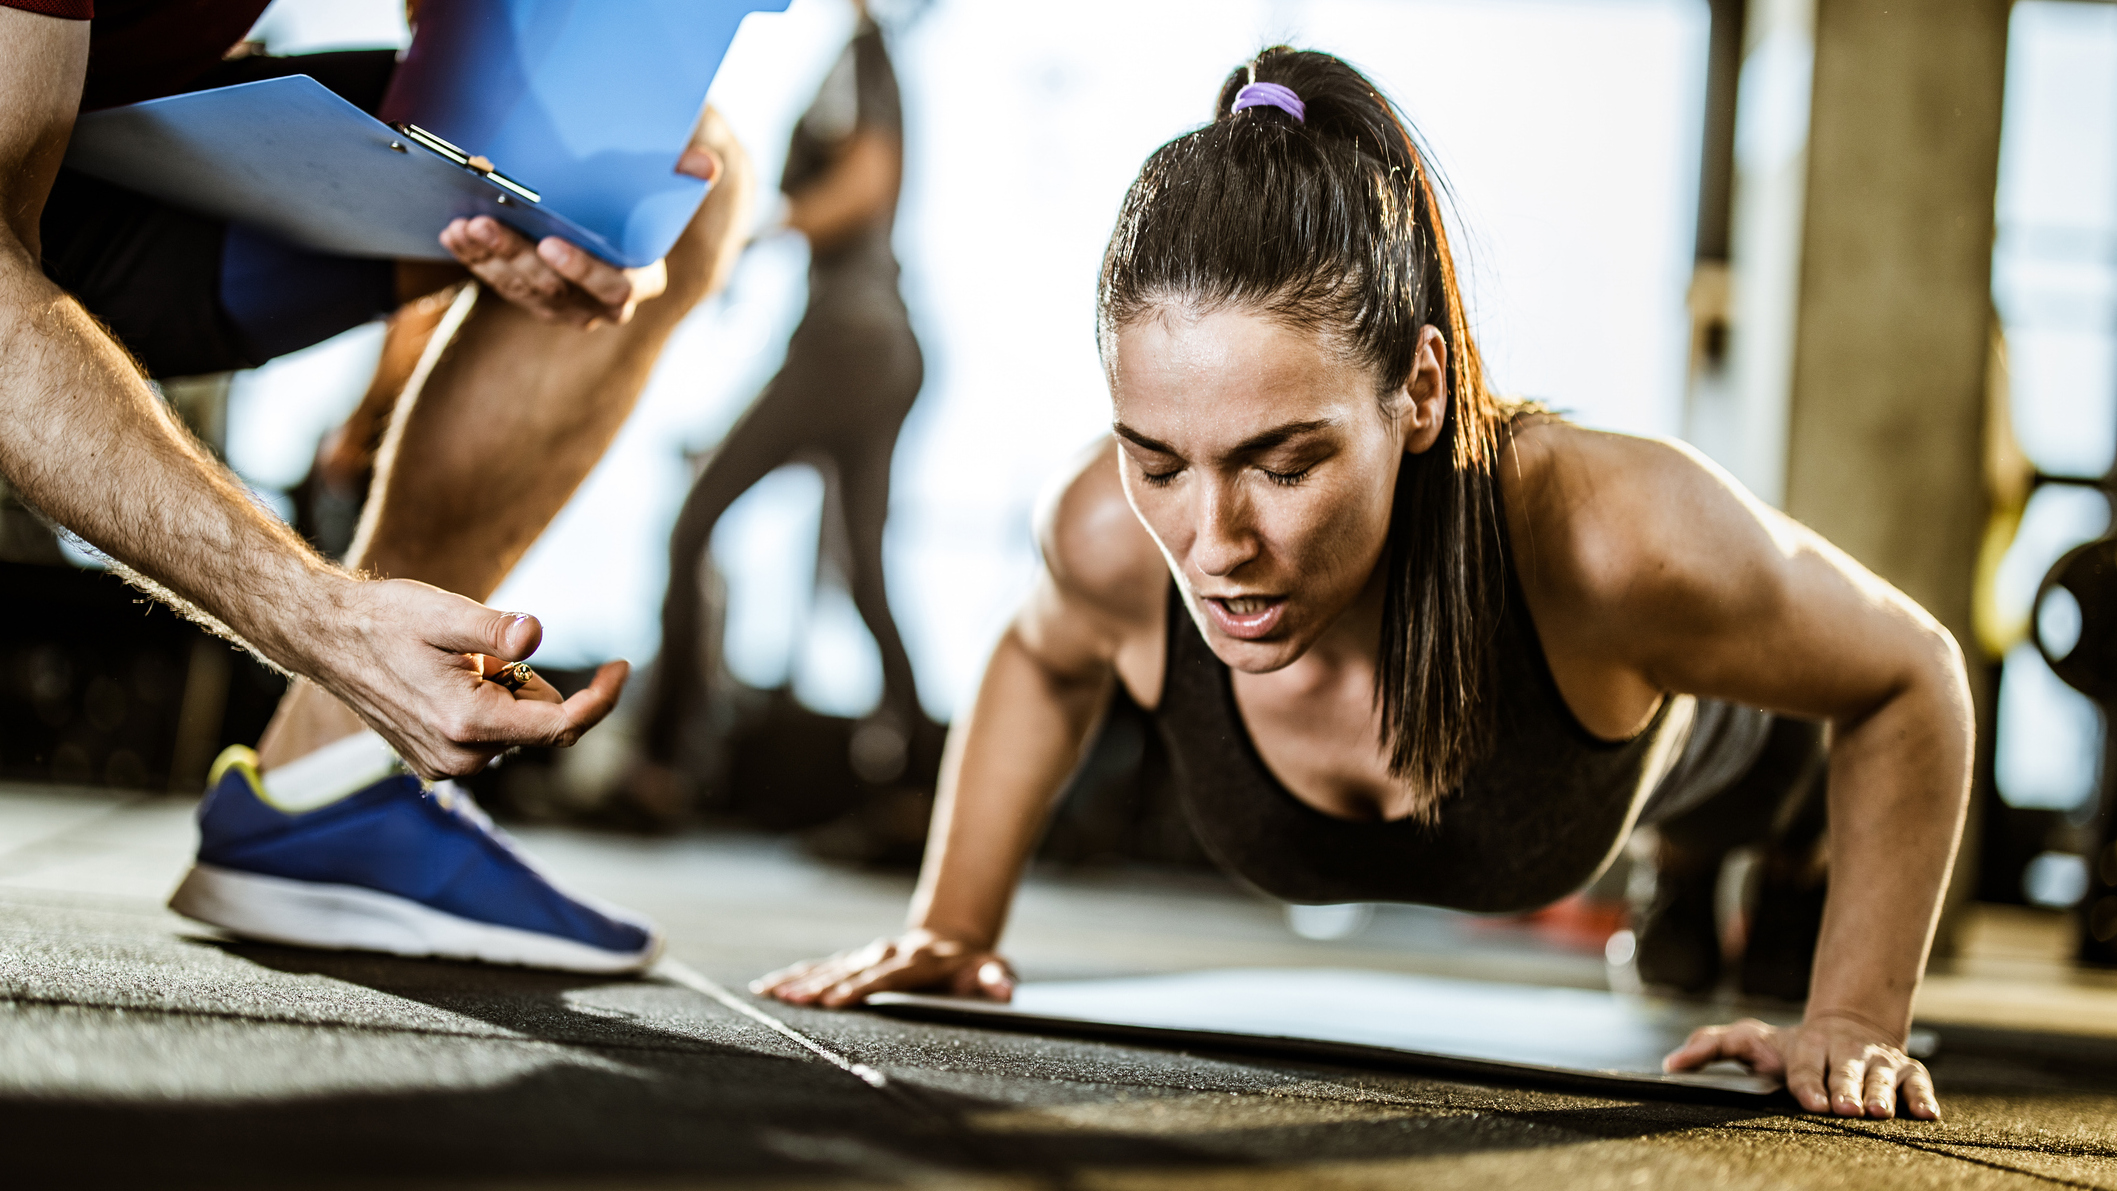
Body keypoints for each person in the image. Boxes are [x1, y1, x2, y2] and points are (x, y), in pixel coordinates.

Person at [756, 49, 1972, 1123]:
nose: (1213, 538)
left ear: (1421, 393)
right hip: (1599, 786)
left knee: (1760, 860)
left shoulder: (1613, 536)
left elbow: (1908, 676)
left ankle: (1730, 868)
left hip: (1748, 765)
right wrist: (954, 923)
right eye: (1157, 461)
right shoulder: (1102, 535)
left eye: (1281, 464)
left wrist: (1857, 1017)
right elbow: (1040, 653)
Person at [3, 2, 751, 970]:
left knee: (645, 157)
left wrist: (565, 219)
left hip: (94, 153)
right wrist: (321, 617)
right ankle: (358, 688)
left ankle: (331, 784)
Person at [630, 0, 925, 820]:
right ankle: (916, 783)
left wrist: (750, 232)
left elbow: (865, 185)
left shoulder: (864, 54)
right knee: (863, 571)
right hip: (876, 345)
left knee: (694, 521)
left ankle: (658, 765)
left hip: (848, 344)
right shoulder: (862, 57)